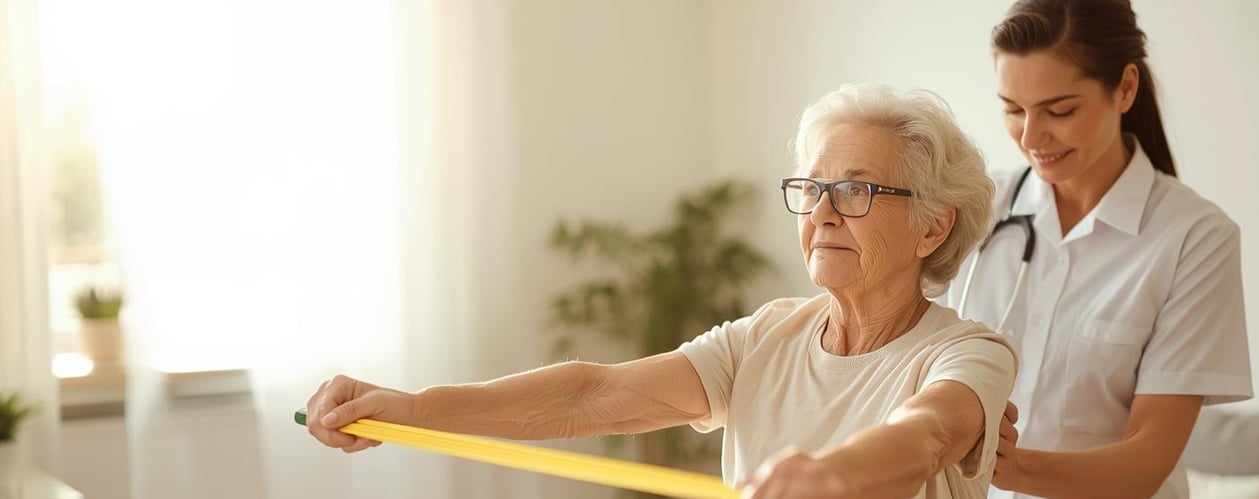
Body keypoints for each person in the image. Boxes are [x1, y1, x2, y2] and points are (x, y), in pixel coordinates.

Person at [306, 83, 1018, 499]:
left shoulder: (965, 353)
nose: (823, 211)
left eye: (856, 189)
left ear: (933, 227)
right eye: (810, 188)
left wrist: (828, 474)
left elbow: (925, 435)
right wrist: (412, 407)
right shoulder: (764, 336)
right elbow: (593, 394)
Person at [938, 1, 1254, 498]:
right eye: (1012, 109)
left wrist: (1007, 466)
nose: (1031, 136)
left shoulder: (1194, 237)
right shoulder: (977, 208)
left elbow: (1148, 458)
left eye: (1059, 111)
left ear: (1125, 88)